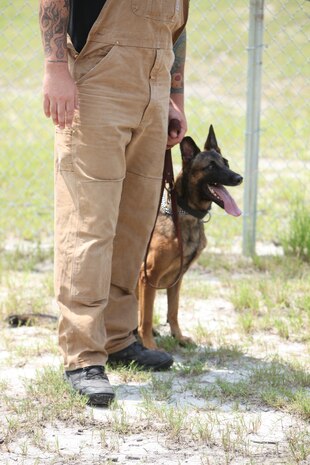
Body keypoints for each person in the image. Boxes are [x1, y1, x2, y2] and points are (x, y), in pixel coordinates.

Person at [39, 0, 189, 406]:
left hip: (154, 89)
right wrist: (55, 69)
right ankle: (82, 356)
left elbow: (177, 28)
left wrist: (174, 94)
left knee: (135, 222)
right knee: (88, 224)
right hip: (98, 84)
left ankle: (119, 337)